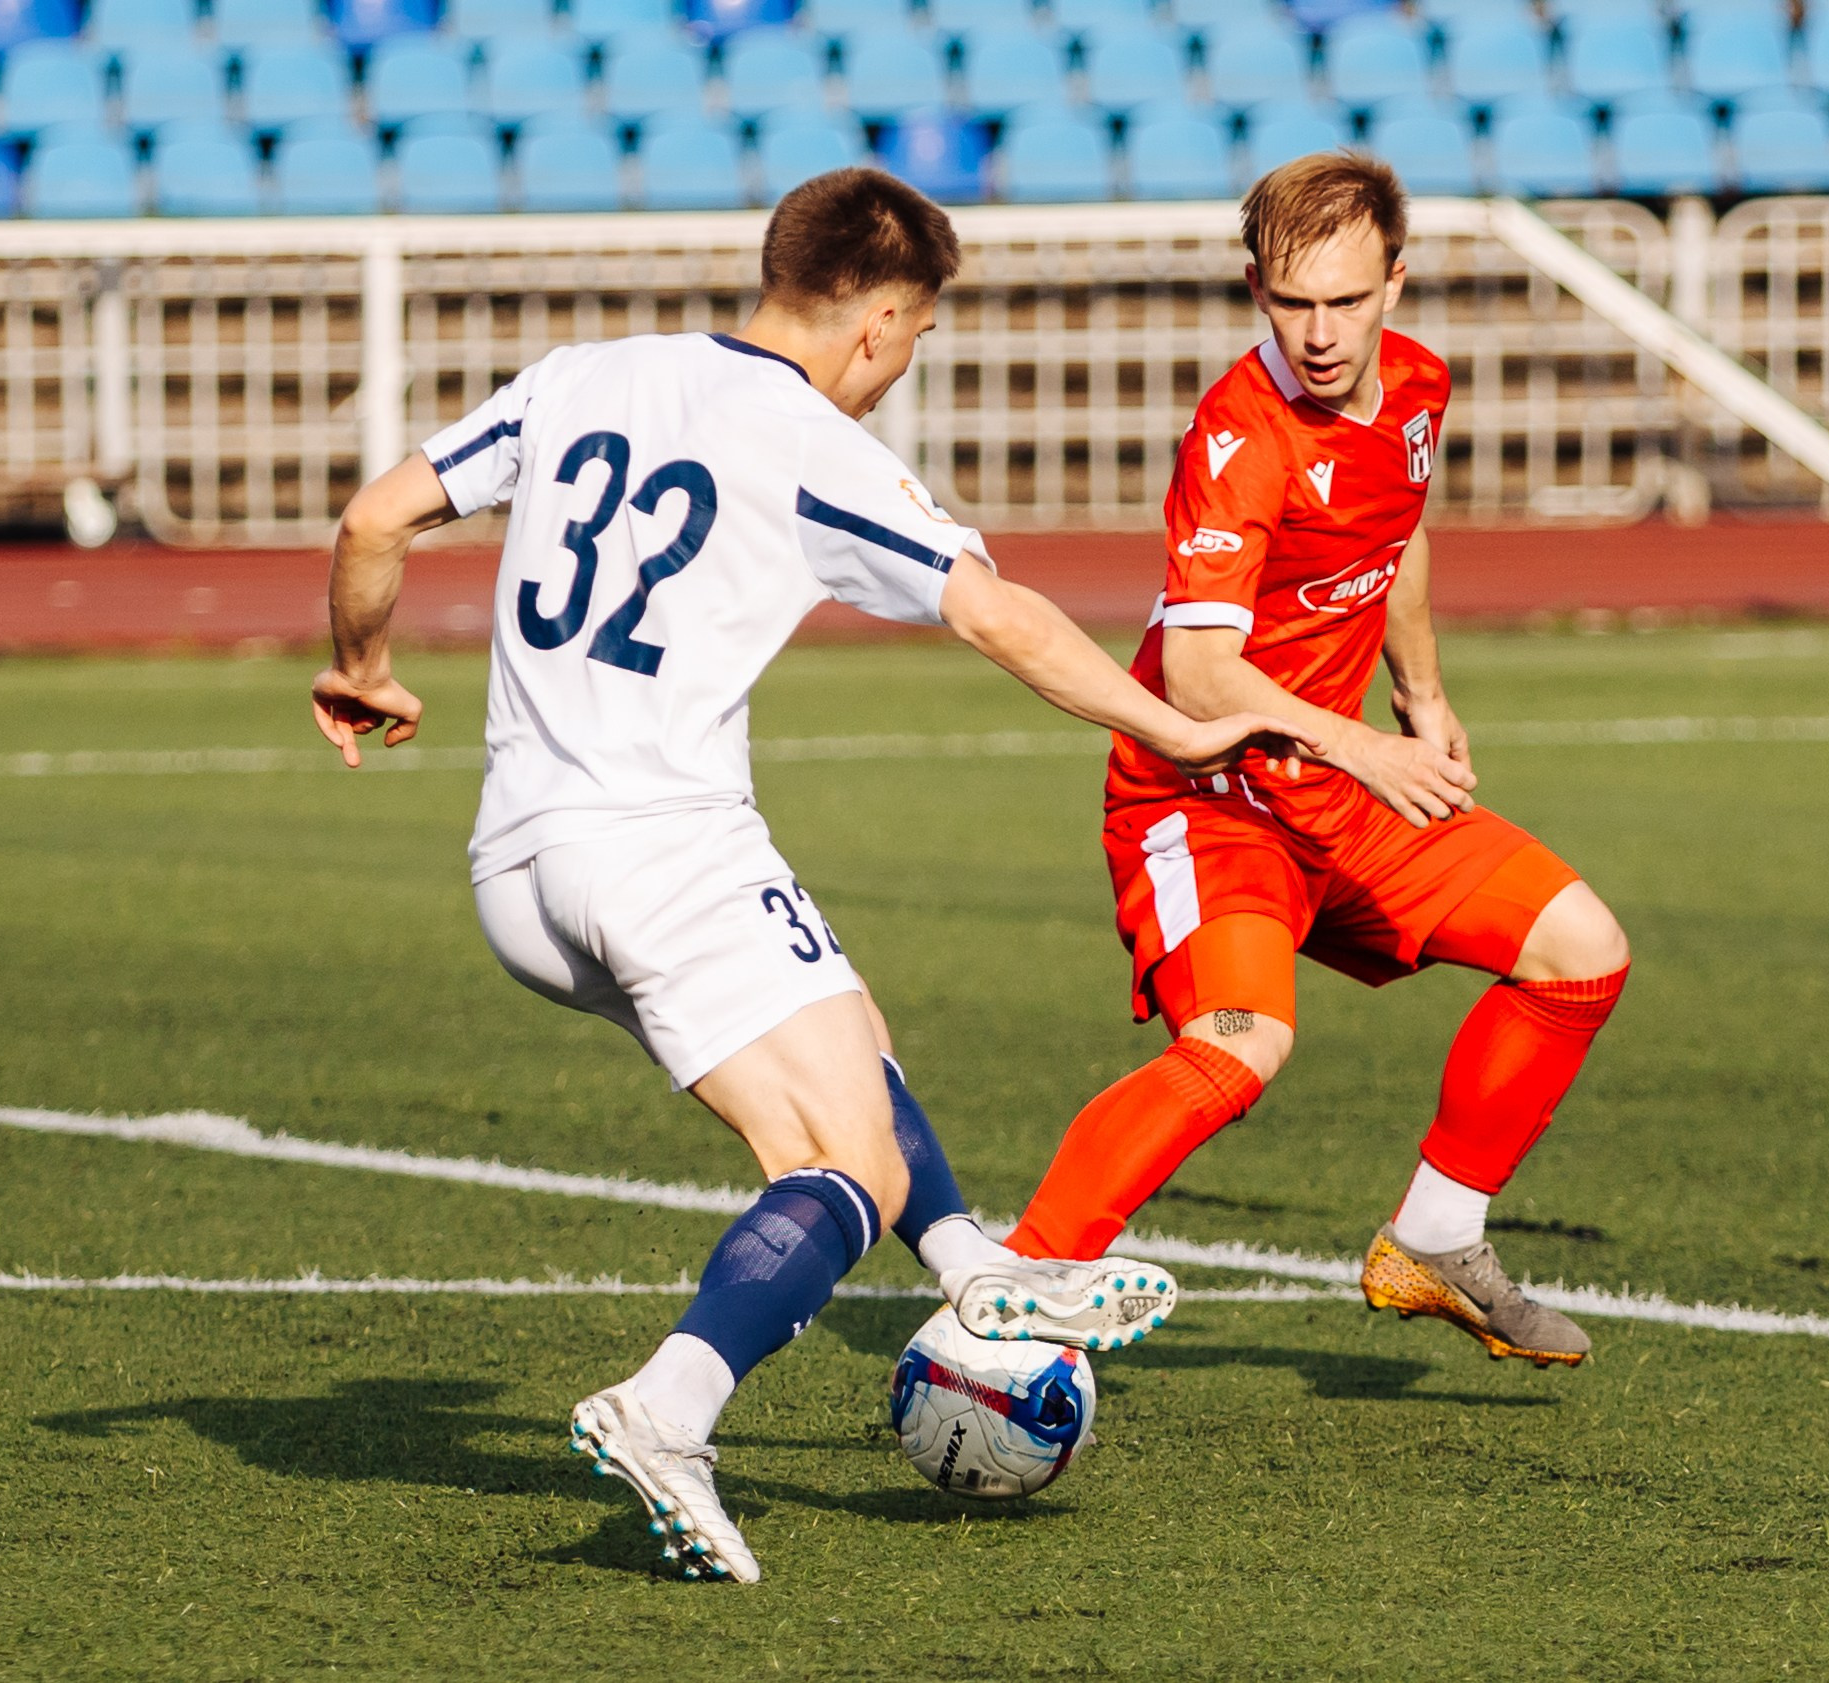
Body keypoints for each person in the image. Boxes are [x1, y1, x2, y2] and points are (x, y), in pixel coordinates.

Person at [310, 170, 1310, 1584]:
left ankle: (976, 1263)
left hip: (520, 864)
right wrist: (1177, 722)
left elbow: (370, 522)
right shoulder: (806, 439)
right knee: (839, 1160)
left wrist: (361, 669)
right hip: (662, 843)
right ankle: (671, 1405)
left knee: (853, 1033)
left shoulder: (583, 374)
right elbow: (1003, 617)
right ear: (882, 320)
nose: (901, 369)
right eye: (915, 340)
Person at [1002, 153, 1633, 1371]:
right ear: (1255, 290)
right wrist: (1363, 743)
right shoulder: (1240, 437)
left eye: (1346, 300)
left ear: (1395, 281)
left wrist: (1423, 694)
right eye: (1292, 303)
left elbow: (1393, 537)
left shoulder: (1416, 387)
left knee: (1580, 949)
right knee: (1240, 1042)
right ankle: (1022, 1283)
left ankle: (1436, 1240)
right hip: (1203, 800)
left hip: (1337, 789)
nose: (1321, 332)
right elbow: (1194, 679)